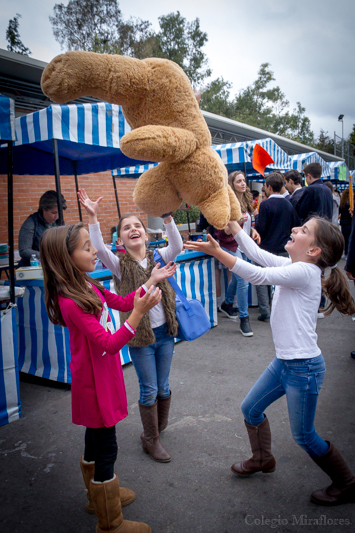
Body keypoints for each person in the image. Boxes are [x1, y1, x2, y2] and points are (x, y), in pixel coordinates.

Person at [185, 217, 355, 506]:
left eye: (303, 231)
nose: (293, 229)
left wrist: (217, 252)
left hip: (303, 369)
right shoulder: (295, 267)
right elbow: (258, 255)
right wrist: (235, 227)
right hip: (285, 363)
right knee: (250, 409)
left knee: (303, 435)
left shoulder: (305, 271)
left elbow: (257, 274)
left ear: (313, 251)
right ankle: (263, 459)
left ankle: (347, 484)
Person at [40, 223, 176, 533]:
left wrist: (150, 280)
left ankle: (96, 497)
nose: (94, 252)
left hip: (99, 374)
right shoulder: (70, 300)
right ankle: (110, 521)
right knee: (106, 446)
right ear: (66, 258)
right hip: (94, 381)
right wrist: (139, 315)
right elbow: (109, 344)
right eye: (87, 248)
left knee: (94, 438)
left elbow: (123, 302)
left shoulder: (85, 284)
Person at [78, 189, 183, 463]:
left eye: (137, 225)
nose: (133, 229)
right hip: (139, 339)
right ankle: (152, 440)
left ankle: (155, 431)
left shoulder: (159, 256)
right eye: (126, 228)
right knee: (149, 388)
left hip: (165, 334)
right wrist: (92, 216)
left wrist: (167, 214)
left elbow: (178, 245)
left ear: (146, 234)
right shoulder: (119, 264)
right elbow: (99, 247)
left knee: (164, 386)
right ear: (121, 239)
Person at [219, 171, 260, 337]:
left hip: (244, 245)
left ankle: (227, 303)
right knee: (243, 279)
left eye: (244, 180)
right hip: (229, 245)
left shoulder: (246, 201)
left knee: (237, 279)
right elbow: (223, 231)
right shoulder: (226, 204)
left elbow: (249, 223)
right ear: (231, 184)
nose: (243, 183)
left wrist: (253, 230)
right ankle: (244, 319)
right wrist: (237, 223)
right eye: (239, 181)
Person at [254, 172, 299, 321]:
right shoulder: (289, 204)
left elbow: (261, 228)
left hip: (266, 248)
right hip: (283, 249)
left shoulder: (265, 205)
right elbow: (295, 225)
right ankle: (279, 309)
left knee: (262, 280)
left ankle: (265, 310)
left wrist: (257, 216)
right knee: (282, 282)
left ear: (269, 187)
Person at [18, 190, 67, 266]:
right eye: (53, 213)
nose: (57, 216)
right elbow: (24, 250)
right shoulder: (31, 223)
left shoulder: (59, 222)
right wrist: (48, 256)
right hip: (34, 267)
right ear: (43, 209)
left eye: (59, 212)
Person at [339, 188, 353, 258]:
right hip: (350, 223)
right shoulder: (351, 205)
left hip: (343, 223)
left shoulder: (342, 204)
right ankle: (348, 253)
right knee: (349, 239)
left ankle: (344, 252)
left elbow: (340, 213)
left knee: (344, 239)